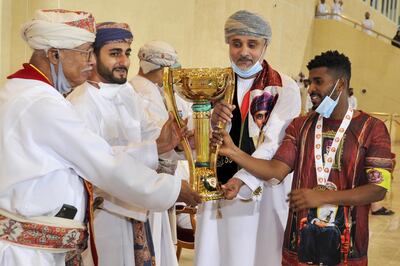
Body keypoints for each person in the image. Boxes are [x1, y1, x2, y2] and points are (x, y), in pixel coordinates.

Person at [0, 10, 201, 266]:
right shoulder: (40, 102)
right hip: (29, 253)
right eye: (85, 52)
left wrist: (156, 148)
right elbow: (103, 162)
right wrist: (173, 189)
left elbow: (98, 154)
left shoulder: (23, 91)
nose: (90, 62)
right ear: (54, 54)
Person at [213, 50, 393, 265]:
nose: (311, 89)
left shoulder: (373, 128)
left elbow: (378, 189)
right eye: (309, 82)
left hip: (347, 250)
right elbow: (276, 170)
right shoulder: (301, 126)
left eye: (318, 82)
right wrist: (234, 151)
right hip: (298, 248)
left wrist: (324, 197)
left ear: (341, 84)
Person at [195, 10, 301, 266]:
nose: (244, 52)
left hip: (261, 193)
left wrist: (242, 179)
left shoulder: (283, 87)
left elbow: (276, 143)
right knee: (215, 253)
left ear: (265, 45)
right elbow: (194, 137)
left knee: (254, 255)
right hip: (216, 190)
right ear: (228, 44)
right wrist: (208, 119)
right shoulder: (212, 85)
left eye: (252, 44)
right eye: (236, 43)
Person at [130, 40, 192, 266]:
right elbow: (161, 141)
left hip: (157, 177)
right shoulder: (142, 92)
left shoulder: (156, 91)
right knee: (152, 242)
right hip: (149, 176)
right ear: (163, 68)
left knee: (158, 241)